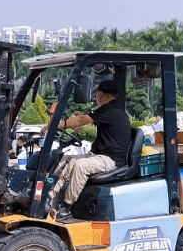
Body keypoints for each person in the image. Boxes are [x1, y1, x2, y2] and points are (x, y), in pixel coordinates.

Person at [50, 80, 132, 221]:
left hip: (111, 160)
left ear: (102, 94)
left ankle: (66, 208)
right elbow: (86, 118)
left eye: (97, 94)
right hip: (99, 156)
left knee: (80, 165)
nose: (96, 98)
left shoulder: (110, 110)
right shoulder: (111, 110)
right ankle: (50, 196)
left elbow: (83, 120)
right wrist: (78, 120)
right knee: (68, 159)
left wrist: (58, 125)